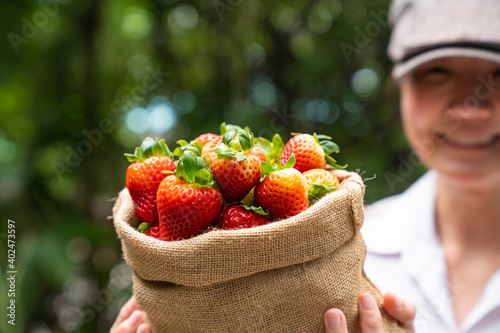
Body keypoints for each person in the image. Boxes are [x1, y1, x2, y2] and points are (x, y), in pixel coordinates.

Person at [112, 0, 500, 331]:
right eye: (437, 72)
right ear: (401, 86)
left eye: (498, 74)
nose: (470, 106)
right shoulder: (331, 245)